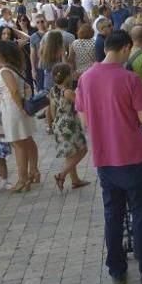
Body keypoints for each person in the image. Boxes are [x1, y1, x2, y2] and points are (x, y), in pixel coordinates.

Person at [75, 30, 142, 284]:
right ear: (124, 49)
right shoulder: (130, 79)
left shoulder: (85, 79)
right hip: (133, 156)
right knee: (141, 214)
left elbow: (84, 119)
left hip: (104, 158)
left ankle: (117, 269)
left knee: (113, 214)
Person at [0, 41, 41, 192]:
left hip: (13, 109)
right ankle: (33, 171)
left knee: (18, 144)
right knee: (27, 140)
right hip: (17, 107)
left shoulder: (4, 71)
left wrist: (20, 108)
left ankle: (23, 179)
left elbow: (14, 91)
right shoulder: (15, 68)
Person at [48, 63, 90, 192]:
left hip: (58, 124)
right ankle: (62, 175)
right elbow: (81, 104)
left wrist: (54, 123)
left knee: (71, 154)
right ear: (67, 77)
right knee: (82, 150)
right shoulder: (68, 92)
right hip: (70, 125)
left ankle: (75, 180)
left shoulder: (53, 90)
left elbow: (52, 109)